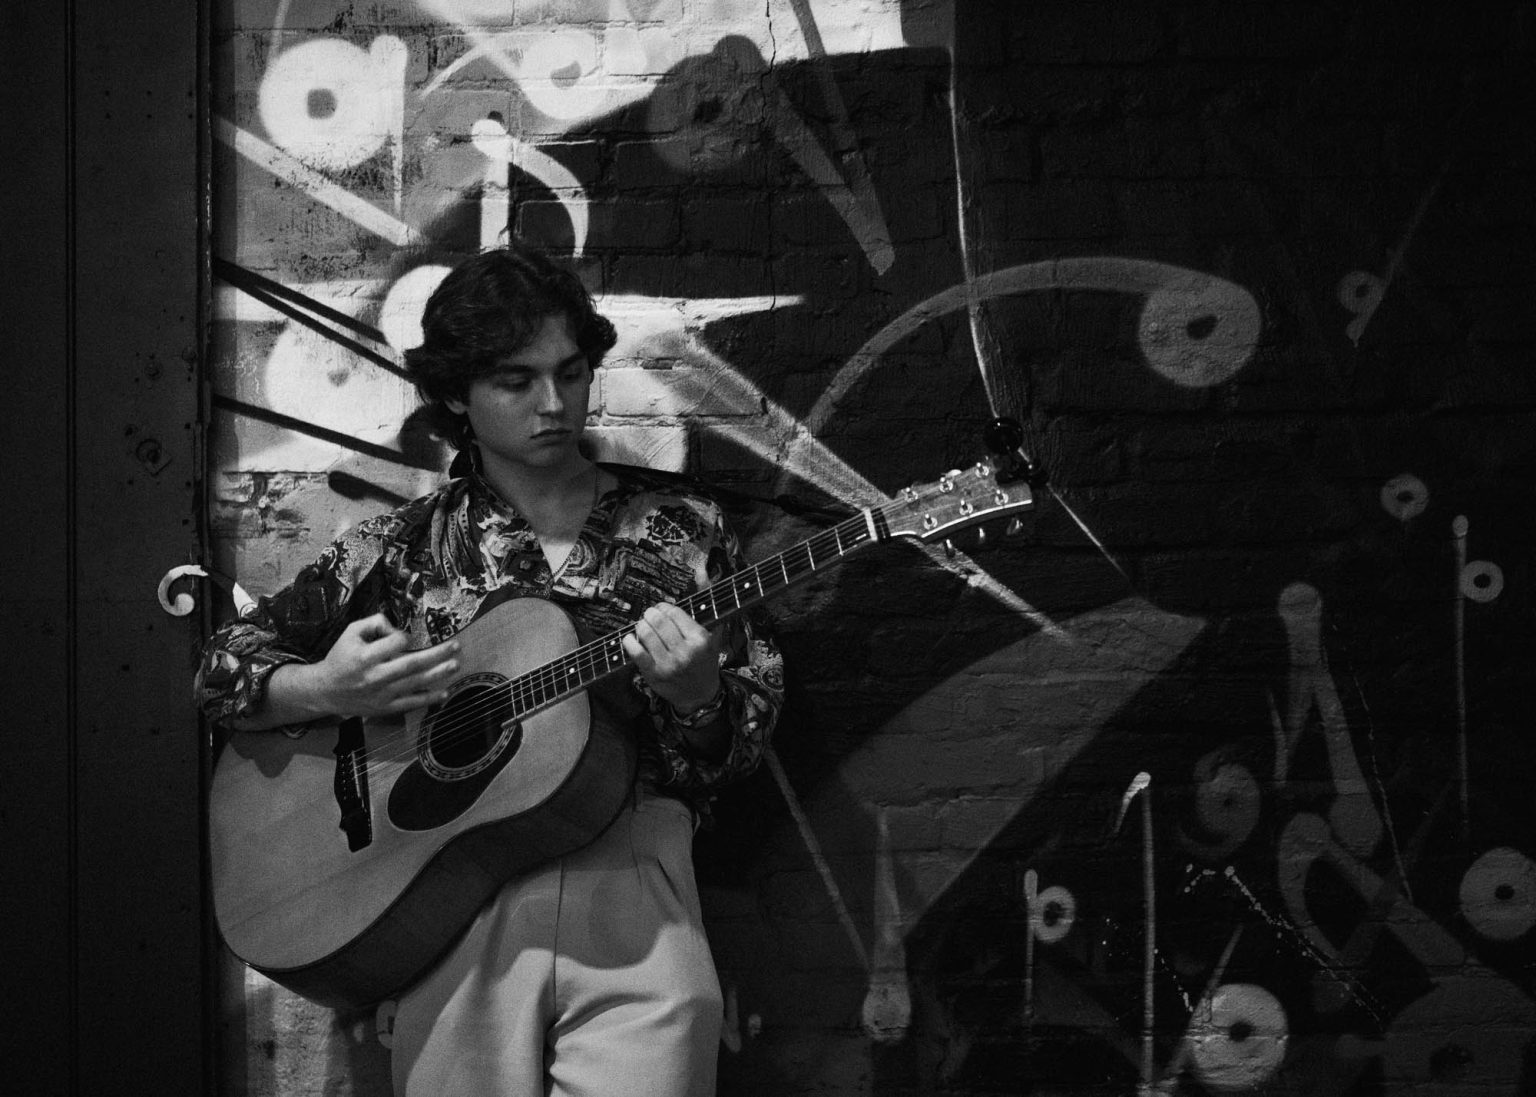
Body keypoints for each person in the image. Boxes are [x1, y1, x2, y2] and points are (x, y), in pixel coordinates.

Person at [195, 245, 784, 1096]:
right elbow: (219, 670)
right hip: (448, 898)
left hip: (635, 882)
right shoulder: (399, 546)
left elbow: (740, 743)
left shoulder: (682, 527)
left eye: (572, 372)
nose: (555, 403)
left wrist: (701, 704)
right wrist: (323, 687)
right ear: (453, 398)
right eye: (516, 381)